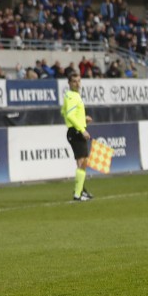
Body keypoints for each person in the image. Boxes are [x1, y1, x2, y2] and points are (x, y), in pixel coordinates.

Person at [61, 73, 94, 201]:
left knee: (82, 162)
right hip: (75, 132)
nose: (77, 83)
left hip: (75, 130)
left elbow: (64, 112)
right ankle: (78, 194)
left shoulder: (73, 96)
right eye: (74, 81)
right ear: (69, 83)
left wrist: (83, 119)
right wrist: (82, 129)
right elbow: (69, 116)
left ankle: (81, 190)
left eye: (79, 81)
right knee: (82, 162)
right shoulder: (71, 96)